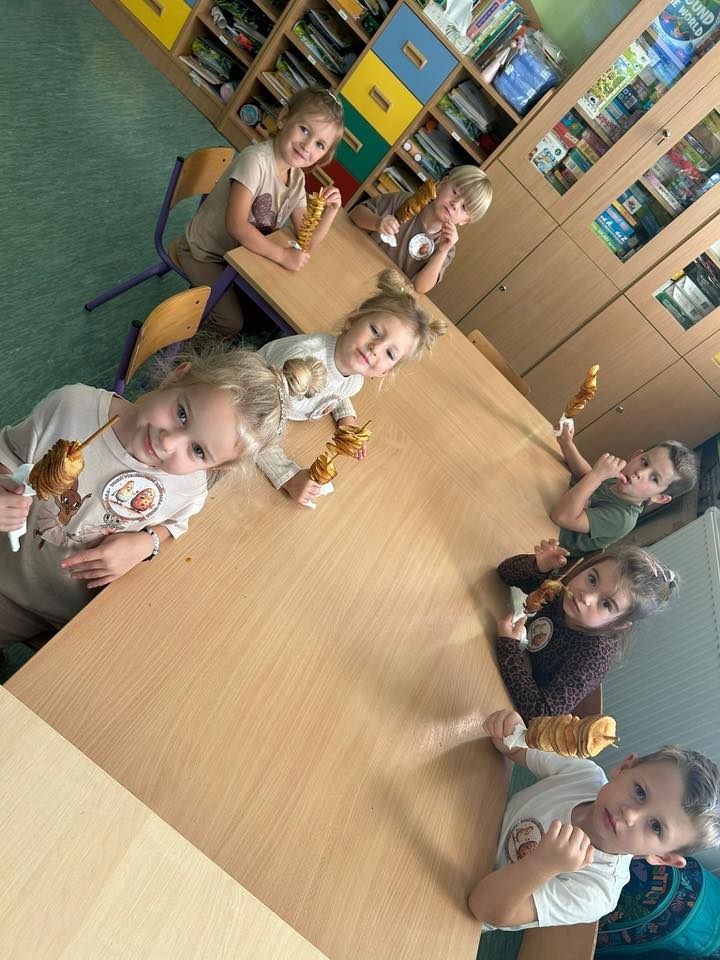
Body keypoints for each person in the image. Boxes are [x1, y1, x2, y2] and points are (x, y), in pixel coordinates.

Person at [0, 348, 318, 645]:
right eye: (182, 414)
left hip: (77, 616)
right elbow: (9, 451)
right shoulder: (71, 407)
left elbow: (176, 523)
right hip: (9, 587)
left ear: (217, 466)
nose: (168, 443)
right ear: (178, 375)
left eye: (198, 450)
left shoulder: (190, 485)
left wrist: (146, 543)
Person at [468, 710, 720, 931]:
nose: (630, 814)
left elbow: (482, 908)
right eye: (640, 792)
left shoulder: (597, 891)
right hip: (465, 827)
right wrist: (508, 729)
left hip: (460, 903)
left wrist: (540, 866)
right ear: (625, 767)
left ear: (663, 858)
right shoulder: (583, 774)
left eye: (656, 827)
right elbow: (513, 746)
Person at [256, 269, 447, 505]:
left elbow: (338, 389)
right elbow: (251, 420)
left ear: (385, 371)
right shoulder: (300, 362)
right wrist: (287, 477)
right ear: (352, 320)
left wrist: (346, 419)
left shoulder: (355, 378)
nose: (376, 348)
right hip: (249, 399)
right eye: (375, 331)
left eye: (390, 353)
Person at [176, 85, 345, 337]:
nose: (308, 145)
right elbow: (236, 225)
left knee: (264, 314)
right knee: (230, 322)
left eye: (320, 144)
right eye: (304, 129)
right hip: (204, 253)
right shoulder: (255, 160)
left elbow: (305, 240)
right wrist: (282, 255)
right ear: (284, 117)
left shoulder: (297, 178)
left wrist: (330, 213)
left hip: (238, 257)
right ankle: (184, 350)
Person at [495, 538, 677, 720]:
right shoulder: (565, 588)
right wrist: (538, 566)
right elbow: (504, 572)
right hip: (497, 656)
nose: (586, 597)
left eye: (606, 604)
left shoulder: (594, 655)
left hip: (506, 701)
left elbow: (541, 713)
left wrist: (508, 648)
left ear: (619, 624)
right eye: (592, 579)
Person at [551, 422, 698, 555]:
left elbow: (561, 517)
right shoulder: (623, 482)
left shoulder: (622, 518)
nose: (640, 472)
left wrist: (597, 475)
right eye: (644, 462)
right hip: (550, 506)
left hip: (549, 540)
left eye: (654, 478)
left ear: (660, 497)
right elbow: (586, 476)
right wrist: (567, 444)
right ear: (636, 455)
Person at [348, 165, 492, 293]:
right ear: (442, 184)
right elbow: (356, 213)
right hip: (356, 264)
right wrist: (377, 223)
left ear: (465, 221)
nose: (455, 204)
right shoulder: (405, 202)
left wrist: (442, 252)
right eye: (455, 192)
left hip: (386, 292)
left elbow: (420, 287)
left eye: (464, 207)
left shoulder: (446, 246)